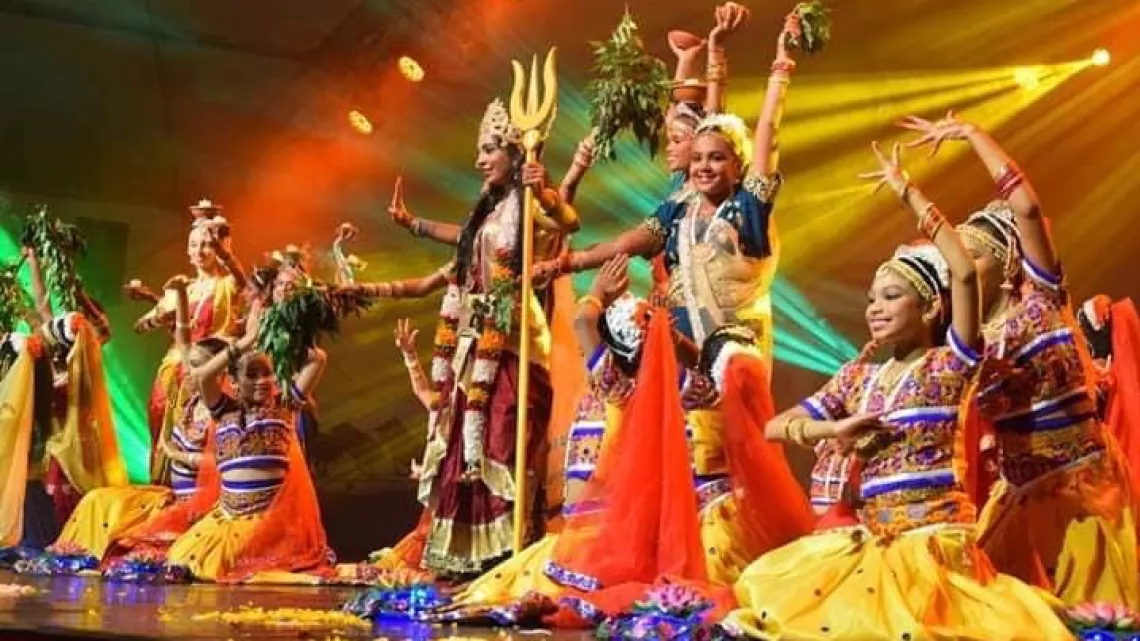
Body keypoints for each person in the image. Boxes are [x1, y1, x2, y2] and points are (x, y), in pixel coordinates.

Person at [723, 141, 1072, 640]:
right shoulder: (858, 376)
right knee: (773, 596)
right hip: (871, 546)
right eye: (870, 299)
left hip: (933, 550)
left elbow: (965, 275)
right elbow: (774, 427)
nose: (875, 308)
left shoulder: (950, 365)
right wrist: (831, 427)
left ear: (930, 308)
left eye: (891, 297)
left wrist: (909, 195)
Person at [901, 112, 1140, 608]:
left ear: (1009, 262)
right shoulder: (965, 341)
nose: (961, 268)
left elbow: (1027, 210)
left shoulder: (1043, 301)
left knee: (1090, 616)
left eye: (974, 256)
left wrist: (972, 136)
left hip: (1083, 489)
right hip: (1016, 496)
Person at [352, 95, 579, 577]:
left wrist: (551, 193)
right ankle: (468, 556)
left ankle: (507, 551)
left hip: (514, 340)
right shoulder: (489, 216)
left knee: (501, 439)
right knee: (465, 444)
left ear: (516, 153)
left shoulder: (527, 202)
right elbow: (455, 240)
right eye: (479, 150)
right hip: (473, 340)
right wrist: (412, 225)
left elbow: (568, 222)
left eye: (490, 149)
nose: (479, 160)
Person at [534, 9, 801, 362]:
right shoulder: (681, 209)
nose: (703, 165)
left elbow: (767, 131)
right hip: (682, 349)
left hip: (735, 357)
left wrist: (780, 63)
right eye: (698, 158)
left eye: (717, 159)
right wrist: (561, 265)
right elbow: (625, 242)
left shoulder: (747, 206)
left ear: (739, 167)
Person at [53, 275, 229, 559]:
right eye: (190, 366)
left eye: (198, 368)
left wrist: (176, 453)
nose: (189, 374)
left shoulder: (223, 411)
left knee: (126, 543)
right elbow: (183, 338)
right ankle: (74, 553)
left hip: (194, 507)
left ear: (218, 372)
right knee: (96, 499)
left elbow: (221, 465)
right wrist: (180, 295)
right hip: (169, 498)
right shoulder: (185, 399)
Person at [128, 200, 245, 481]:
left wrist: (226, 253)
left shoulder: (226, 285)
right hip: (174, 371)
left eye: (206, 244)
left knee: (203, 432)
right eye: (193, 245)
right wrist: (160, 312)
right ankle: (165, 485)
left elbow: (243, 281)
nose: (199, 251)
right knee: (162, 425)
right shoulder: (182, 287)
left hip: (211, 370)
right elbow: (139, 326)